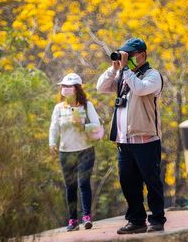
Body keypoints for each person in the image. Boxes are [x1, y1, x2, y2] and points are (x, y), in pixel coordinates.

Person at [96, 37, 166, 234]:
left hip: (146, 140)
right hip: (124, 141)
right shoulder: (123, 76)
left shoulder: (152, 76)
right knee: (129, 183)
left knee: (151, 182)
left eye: (130, 55)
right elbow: (100, 87)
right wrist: (114, 68)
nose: (126, 58)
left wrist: (125, 70)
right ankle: (136, 221)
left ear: (142, 55)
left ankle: (157, 220)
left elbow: (140, 88)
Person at [49, 72, 101, 232]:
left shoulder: (87, 106)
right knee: (70, 186)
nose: (64, 89)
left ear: (77, 88)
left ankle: (87, 217)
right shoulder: (59, 108)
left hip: (85, 150)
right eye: (63, 86)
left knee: (83, 183)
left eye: (68, 86)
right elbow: (54, 126)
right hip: (66, 152)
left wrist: (82, 126)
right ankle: (72, 220)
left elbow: (97, 126)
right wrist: (52, 142)